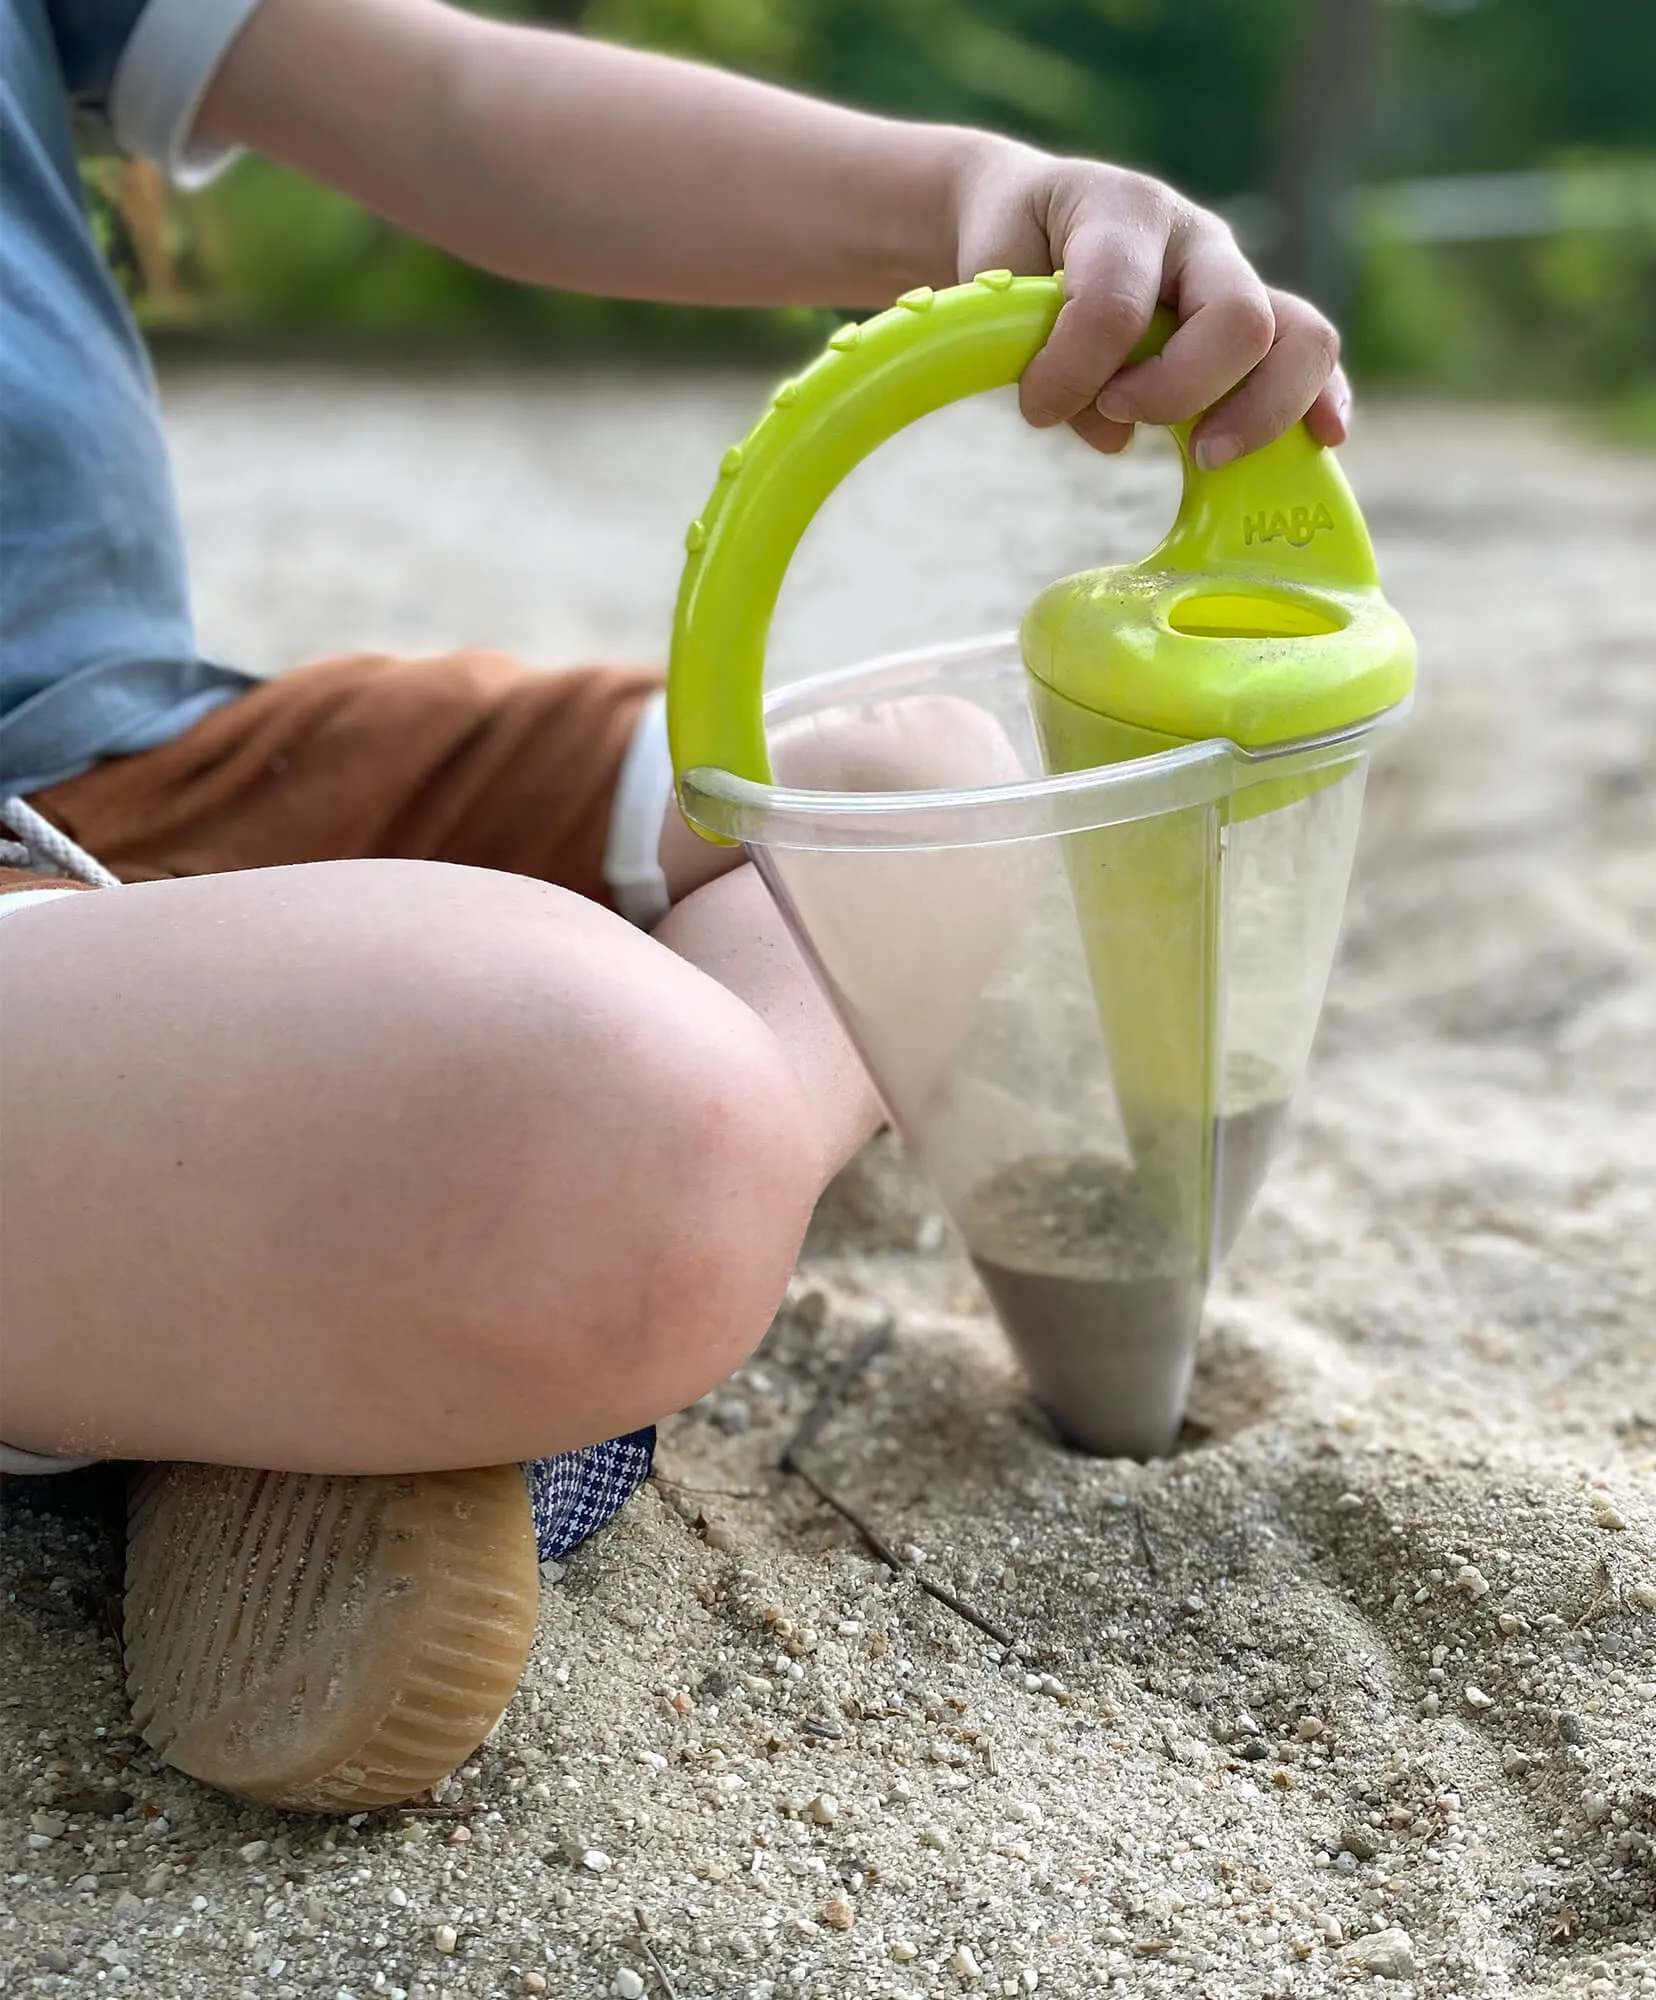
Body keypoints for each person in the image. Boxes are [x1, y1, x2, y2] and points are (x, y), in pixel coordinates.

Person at [0, 0, 1352, 1811]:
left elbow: (457, 104)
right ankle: (457, 1336)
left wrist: (981, 186)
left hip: (146, 754)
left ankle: (304, 1347)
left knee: (914, 786)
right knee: (631, 1121)